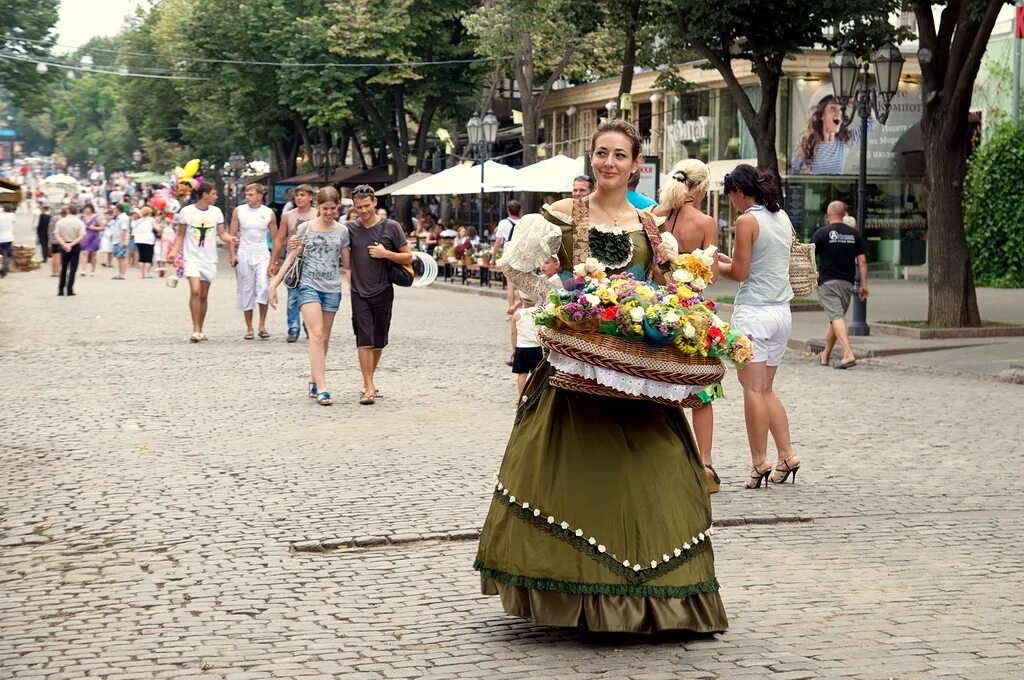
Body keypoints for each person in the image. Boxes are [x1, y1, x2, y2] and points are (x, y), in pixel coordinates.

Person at [475, 119, 728, 634]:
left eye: (619, 155)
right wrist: (562, 306)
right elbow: (519, 271)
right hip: (575, 372)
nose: (609, 163)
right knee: (576, 478)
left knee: (657, 473)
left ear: (637, 164)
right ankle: (576, 599)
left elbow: (666, 284)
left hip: (637, 373)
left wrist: (677, 302)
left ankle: (660, 599)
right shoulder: (560, 216)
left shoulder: (650, 223)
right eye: (601, 153)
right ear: (591, 159)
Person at [716, 164, 802, 488]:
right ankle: (788, 454)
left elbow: (739, 272)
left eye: (732, 197)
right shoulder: (781, 216)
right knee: (766, 389)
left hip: (754, 313)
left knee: (752, 390)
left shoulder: (746, 220)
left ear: (738, 192)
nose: (733, 203)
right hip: (782, 312)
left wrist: (717, 264)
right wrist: (728, 260)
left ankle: (759, 462)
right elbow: (759, 263)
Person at [654, 159, 722, 493]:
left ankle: (661, 460)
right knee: (701, 391)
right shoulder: (705, 222)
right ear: (702, 188)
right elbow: (711, 275)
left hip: (656, 310)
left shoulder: (654, 215)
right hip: (693, 311)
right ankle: (705, 464)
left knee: (659, 385)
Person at [269, 186, 350, 406]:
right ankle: (323, 388)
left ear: (338, 207)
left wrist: (355, 287)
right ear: (318, 206)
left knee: (324, 337)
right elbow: (290, 258)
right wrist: (273, 285)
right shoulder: (305, 229)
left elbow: (348, 264)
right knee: (315, 334)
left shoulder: (343, 231)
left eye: (333, 208)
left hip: (332, 288)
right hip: (308, 285)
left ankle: (315, 378)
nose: (329, 212)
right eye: (325, 208)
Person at [345, 184, 413, 406]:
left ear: (374, 202)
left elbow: (408, 258)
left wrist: (386, 254)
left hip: (383, 289)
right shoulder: (349, 229)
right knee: (364, 339)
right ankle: (368, 387)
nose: (363, 211)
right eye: (358, 208)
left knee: (378, 341)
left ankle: (369, 382)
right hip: (359, 291)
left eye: (366, 206)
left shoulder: (392, 227)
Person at [165, 183, 236, 343]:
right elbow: (181, 235)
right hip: (192, 257)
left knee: (203, 295)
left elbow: (222, 234)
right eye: (214, 193)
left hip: (209, 259)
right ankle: (195, 329)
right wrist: (173, 251)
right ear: (205, 195)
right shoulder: (187, 212)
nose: (216, 197)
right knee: (195, 291)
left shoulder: (216, 212)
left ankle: (201, 328)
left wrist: (231, 239)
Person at [813, 200, 868, 369]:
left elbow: (809, 257)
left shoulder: (821, 233)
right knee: (835, 318)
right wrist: (864, 284)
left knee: (836, 317)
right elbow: (862, 261)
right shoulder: (854, 234)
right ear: (844, 215)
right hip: (847, 283)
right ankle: (826, 355)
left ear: (828, 215)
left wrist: (812, 277)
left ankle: (848, 354)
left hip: (827, 282)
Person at [230, 183, 278, 340]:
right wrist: (232, 254)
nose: (247, 197)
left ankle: (262, 325)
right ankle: (249, 327)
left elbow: (276, 238)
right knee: (246, 289)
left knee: (263, 287)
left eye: (251, 194)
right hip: (244, 252)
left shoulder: (268, 213)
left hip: (262, 252)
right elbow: (233, 235)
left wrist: (274, 260)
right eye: (246, 194)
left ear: (259, 195)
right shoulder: (239, 211)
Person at [271, 183, 316, 342]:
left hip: (313, 261)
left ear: (310, 197)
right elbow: (280, 239)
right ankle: (293, 327)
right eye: (297, 195)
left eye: (303, 195)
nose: (299, 198)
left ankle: (309, 324)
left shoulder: (317, 215)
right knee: (293, 296)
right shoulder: (288, 216)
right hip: (293, 262)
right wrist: (274, 260)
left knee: (312, 296)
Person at [791, 94, 876, 175]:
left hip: (835, 190)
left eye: (841, 109)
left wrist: (856, 103)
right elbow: (793, 173)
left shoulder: (845, 142)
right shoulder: (805, 144)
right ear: (821, 115)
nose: (839, 113)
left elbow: (872, 121)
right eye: (832, 108)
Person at [509, 291, 543, 396]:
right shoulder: (540, 312)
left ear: (522, 299)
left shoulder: (517, 315)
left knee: (522, 374)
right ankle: (535, 394)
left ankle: (522, 397)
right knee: (536, 373)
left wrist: (514, 349)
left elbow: (513, 333)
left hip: (522, 347)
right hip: (536, 347)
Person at [54, 205, 86, 295]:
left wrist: (64, 244)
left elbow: (57, 234)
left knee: (63, 268)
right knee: (73, 269)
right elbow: (82, 236)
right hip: (75, 245)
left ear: (68, 211)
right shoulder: (80, 222)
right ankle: (69, 289)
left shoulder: (60, 222)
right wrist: (71, 244)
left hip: (64, 245)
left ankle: (60, 289)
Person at [133, 207, 157, 279]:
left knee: (142, 257)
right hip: (148, 240)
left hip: (139, 239)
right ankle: (146, 273)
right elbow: (157, 228)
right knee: (148, 257)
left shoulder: (138, 220)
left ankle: (142, 273)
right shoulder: (151, 219)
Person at [79, 204, 103, 276]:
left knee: (93, 254)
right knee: (84, 253)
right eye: (86, 209)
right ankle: (83, 270)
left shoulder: (96, 217)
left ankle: (93, 270)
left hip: (94, 236)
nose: (87, 210)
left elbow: (102, 227)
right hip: (85, 236)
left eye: (88, 208)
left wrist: (94, 228)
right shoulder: (82, 217)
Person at [112, 205, 131, 280]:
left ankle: (122, 274)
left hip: (121, 240)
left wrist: (122, 241)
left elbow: (124, 230)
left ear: (118, 209)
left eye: (114, 209)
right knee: (119, 257)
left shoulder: (124, 218)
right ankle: (120, 273)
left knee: (122, 257)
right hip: (116, 239)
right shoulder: (119, 217)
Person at [0, 204, 14, 279]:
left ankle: (3, 267)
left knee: (1, 255)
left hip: (0, 238)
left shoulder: (1, 216)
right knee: (9, 256)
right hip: (9, 238)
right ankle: (4, 267)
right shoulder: (11, 215)